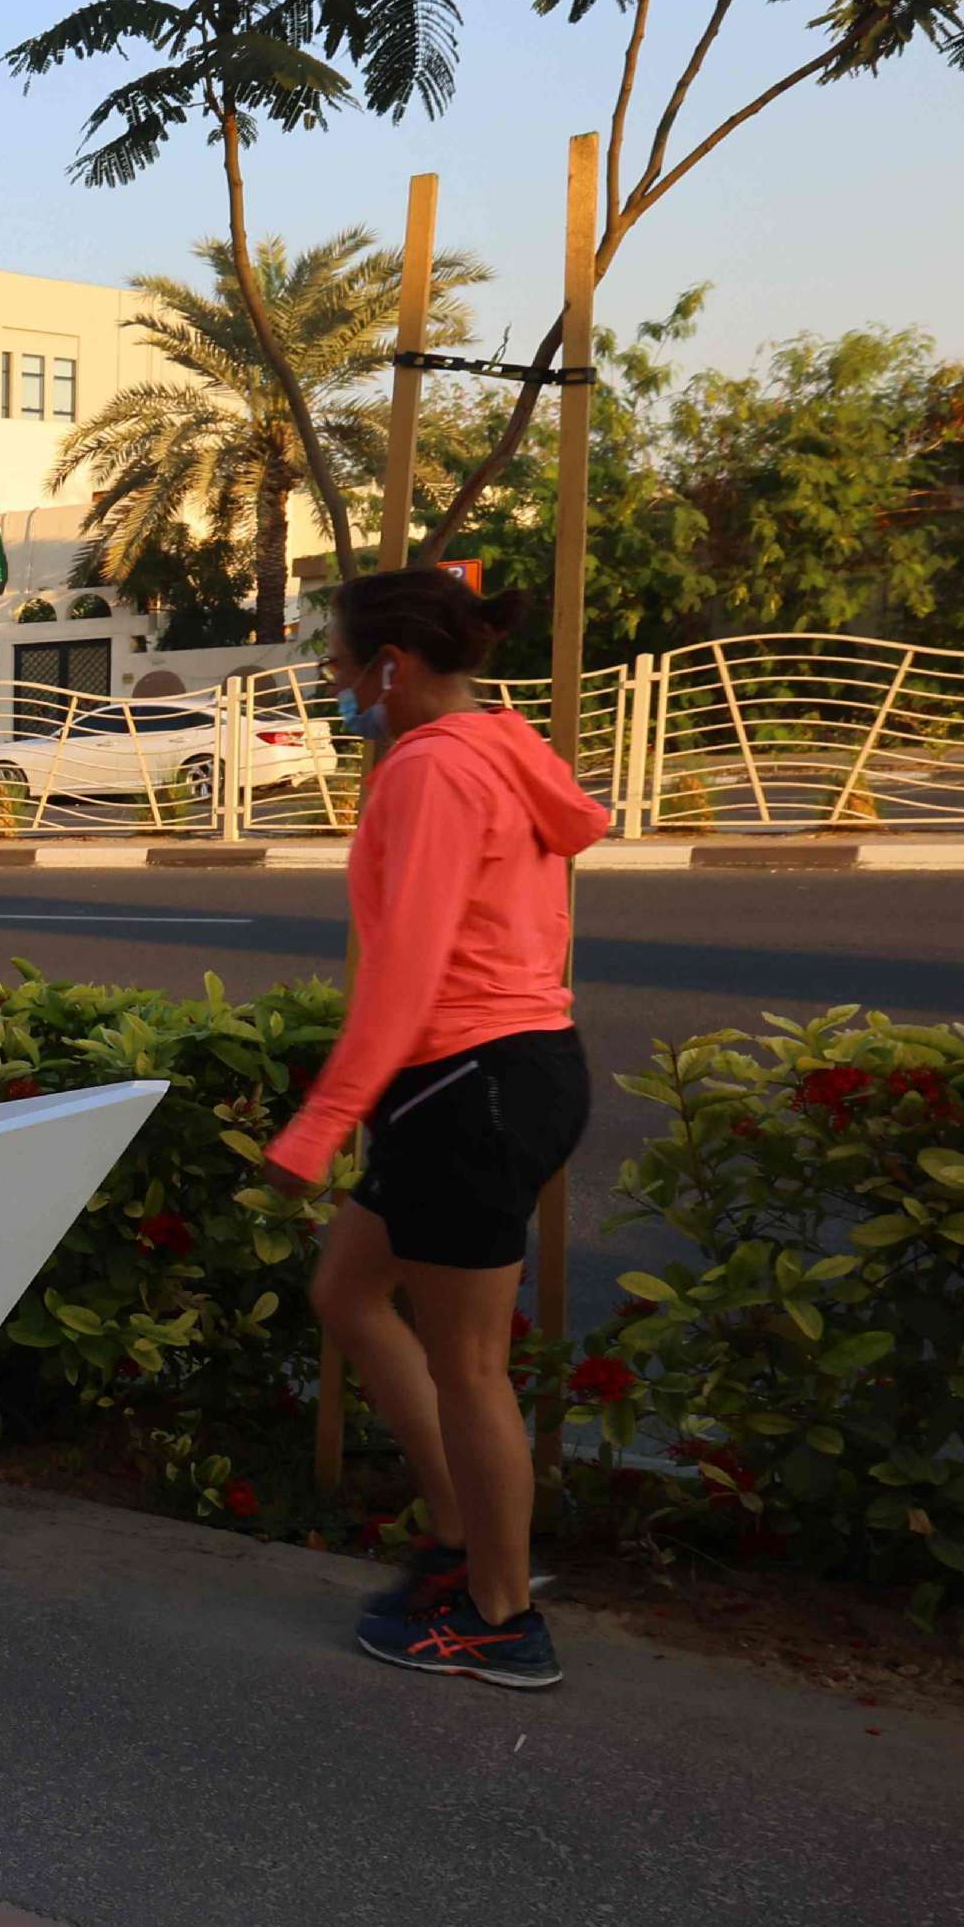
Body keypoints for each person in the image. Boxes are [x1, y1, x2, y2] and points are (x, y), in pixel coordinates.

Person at [262, 568, 608, 1689]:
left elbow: (405, 968)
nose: (333, 681)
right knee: (346, 1292)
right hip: (512, 1067)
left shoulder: (427, 770)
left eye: (339, 662)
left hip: (466, 1081)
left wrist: (319, 1123)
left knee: (469, 1367)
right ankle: (459, 1535)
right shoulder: (503, 746)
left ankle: (501, 1616)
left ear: (391, 666)